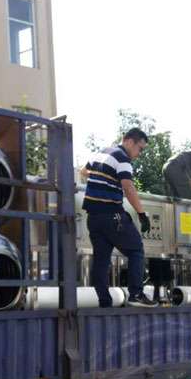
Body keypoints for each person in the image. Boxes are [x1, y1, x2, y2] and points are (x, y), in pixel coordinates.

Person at [80, 128, 157, 308]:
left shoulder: (101, 153)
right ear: (128, 141)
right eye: (140, 148)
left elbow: (83, 171)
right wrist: (142, 214)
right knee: (136, 250)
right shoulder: (123, 159)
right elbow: (128, 187)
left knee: (101, 259)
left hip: (93, 217)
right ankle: (136, 294)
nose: (139, 153)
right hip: (112, 215)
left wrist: (104, 179)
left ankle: (104, 301)